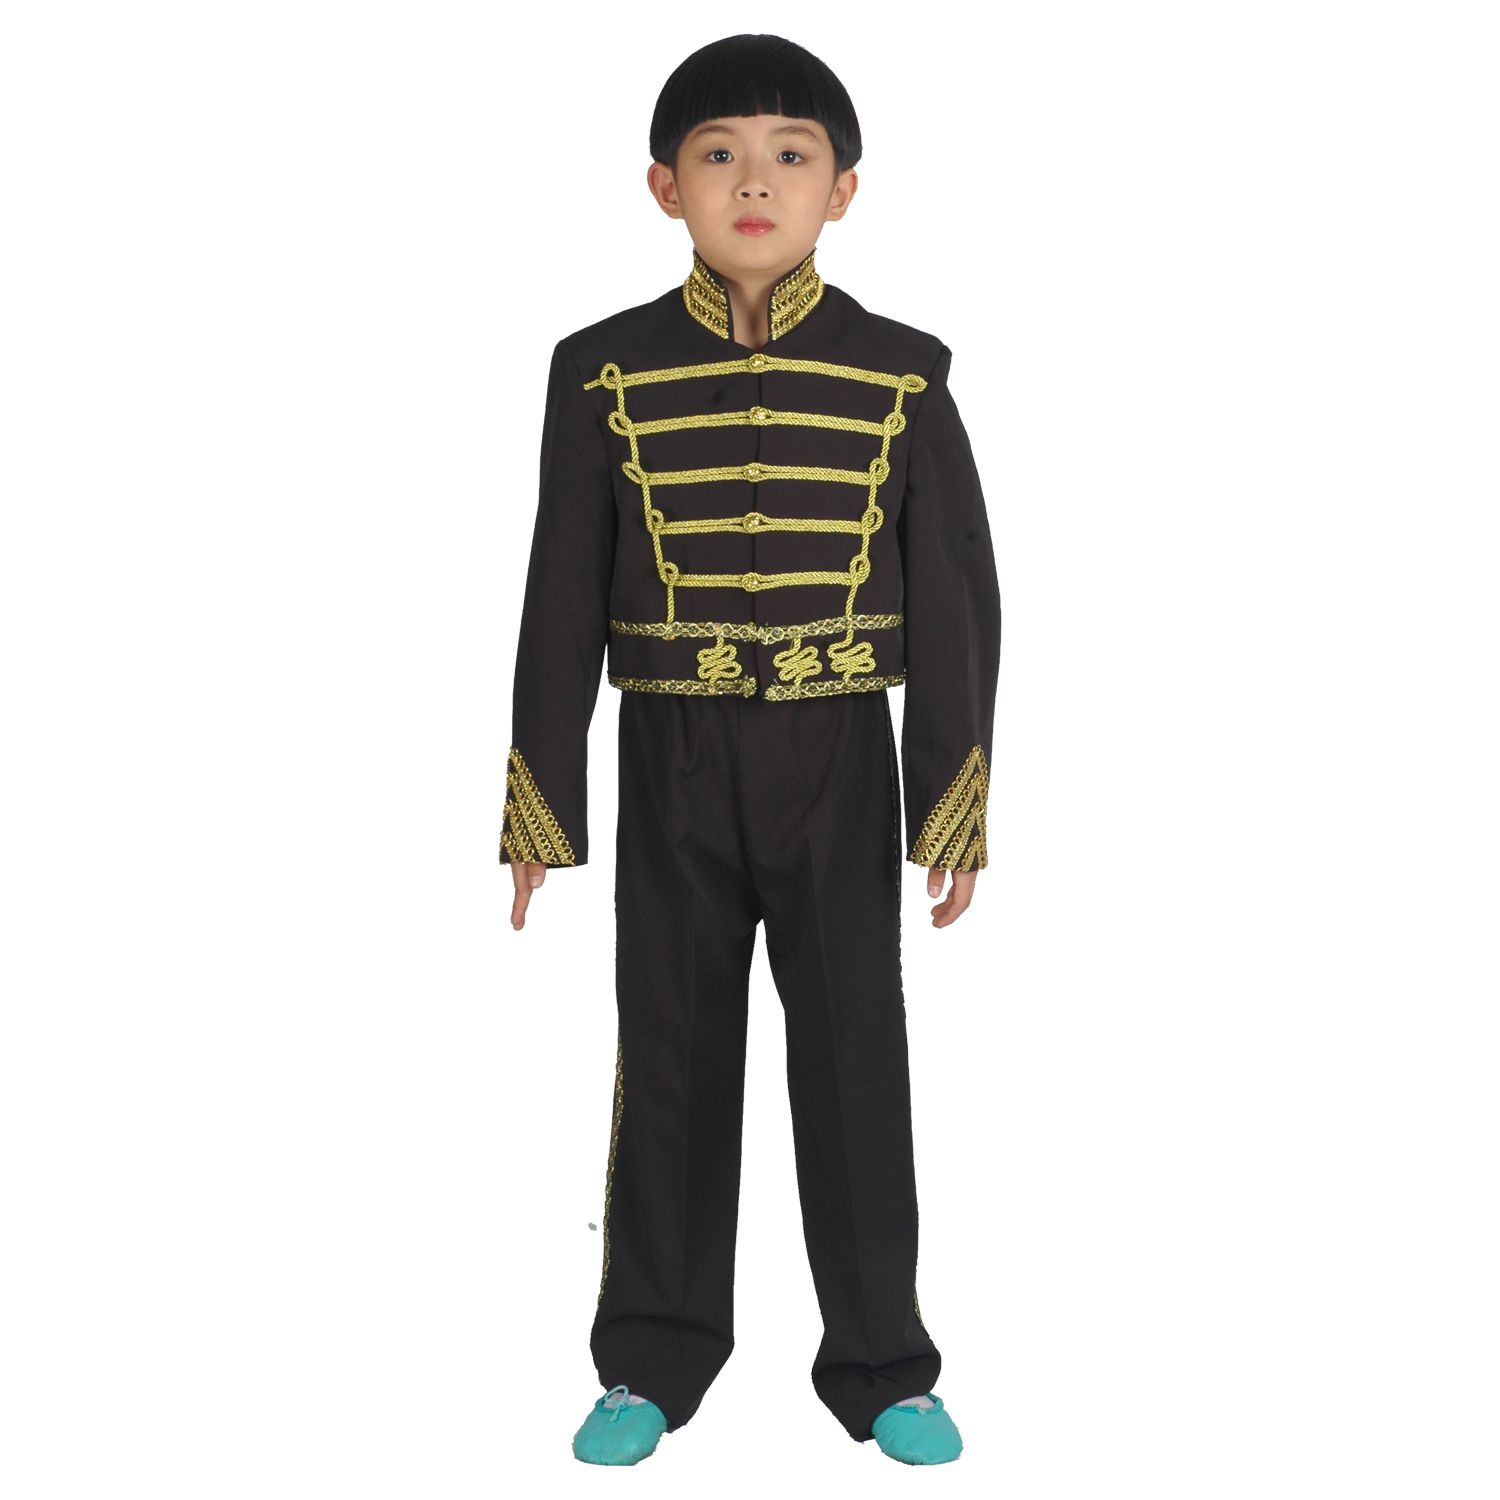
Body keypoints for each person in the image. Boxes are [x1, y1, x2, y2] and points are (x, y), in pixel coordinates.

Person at [498, 33, 1001, 1467]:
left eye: (792, 156)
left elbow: (956, 597)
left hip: (842, 759)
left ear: (845, 189)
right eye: (719, 155)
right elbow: (558, 590)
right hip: (669, 757)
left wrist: (950, 806)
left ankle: (884, 1363)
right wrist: (541, 803)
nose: (756, 183)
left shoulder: (905, 374)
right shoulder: (597, 370)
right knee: (667, 1052)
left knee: (856, 1058)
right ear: (666, 186)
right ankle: (650, 1359)